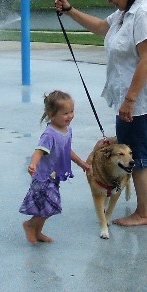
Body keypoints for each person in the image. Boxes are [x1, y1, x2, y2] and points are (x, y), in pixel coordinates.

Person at [54, 0, 147, 227]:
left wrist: (130, 100)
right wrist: (70, 11)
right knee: (144, 144)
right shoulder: (128, 10)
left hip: (144, 98)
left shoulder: (145, 12)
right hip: (137, 96)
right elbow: (101, 27)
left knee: (137, 154)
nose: (108, 1)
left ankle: (143, 212)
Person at [19, 90, 90, 244]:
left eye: (71, 111)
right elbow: (39, 151)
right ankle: (30, 225)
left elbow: (67, 149)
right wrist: (33, 164)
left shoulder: (66, 130)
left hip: (54, 176)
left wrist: (81, 163)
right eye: (65, 113)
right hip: (43, 177)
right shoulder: (49, 134)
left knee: (47, 207)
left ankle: (37, 231)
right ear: (51, 114)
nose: (70, 116)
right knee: (49, 205)